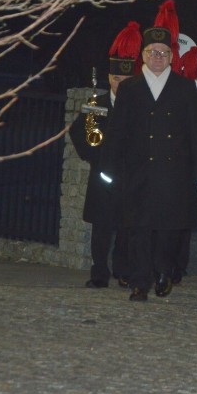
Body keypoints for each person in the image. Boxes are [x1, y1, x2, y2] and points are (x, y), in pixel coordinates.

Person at [101, 0, 197, 302]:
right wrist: (109, 170)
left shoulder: (185, 89)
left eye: (163, 53)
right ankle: (139, 282)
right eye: (152, 52)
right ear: (142, 55)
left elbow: (194, 134)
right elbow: (117, 133)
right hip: (138, 172)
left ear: (171, 56)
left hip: (173, 173)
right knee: (139, 230)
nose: (157, 57)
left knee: (168, 231)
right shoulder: (130, 88)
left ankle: (163, 272)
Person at [69, 21, 141, 289]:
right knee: (101, 228)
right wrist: (92, 155)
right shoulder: (96, 105)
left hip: (127, 176)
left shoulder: (137, 106)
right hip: (101, 176)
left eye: (122, 79)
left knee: (125, 228)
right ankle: (99, 273)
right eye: (114, 78)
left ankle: (123, 271)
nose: (117, 82)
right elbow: (79, 131)